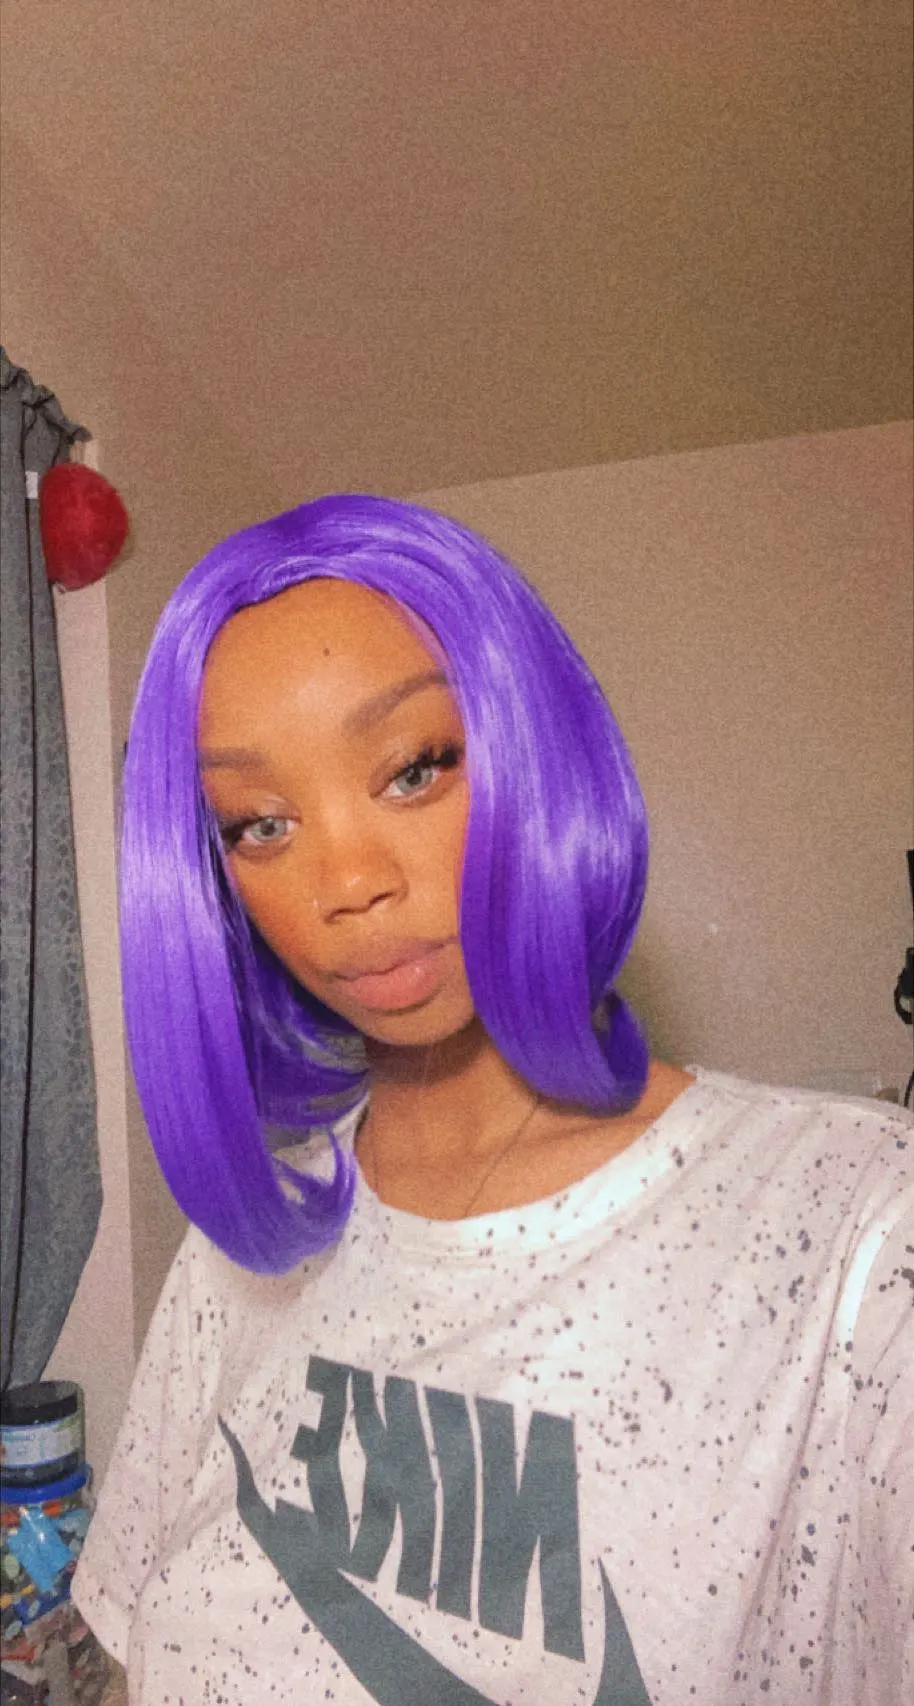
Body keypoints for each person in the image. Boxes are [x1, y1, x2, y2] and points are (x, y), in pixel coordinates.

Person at [73, 495, 911, 1705]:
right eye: (260, 824)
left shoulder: (853, 1233)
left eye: (413, 769)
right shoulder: (241, 1255)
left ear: (532, 744)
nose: (346, 880)